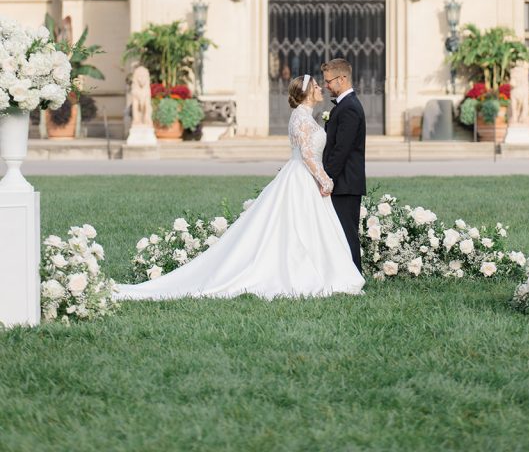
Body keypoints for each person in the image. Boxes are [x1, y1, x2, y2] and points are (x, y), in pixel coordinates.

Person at [113, 75, 364, 302]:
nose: (322, 88)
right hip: (303, 175)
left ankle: (319, 267)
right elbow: (308, 155)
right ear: (309, 92)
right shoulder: (301, 117)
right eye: (318, 86)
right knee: (295, 225)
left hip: (302, 176)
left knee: (307, 226)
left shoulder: (305, 115)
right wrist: (324, 179)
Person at [321, 58, 366, 272]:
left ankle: (355, 274)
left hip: (345, 182)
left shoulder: (349, 108)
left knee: (348, 233)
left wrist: (326, 178)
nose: (326, 85)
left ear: (342, 78)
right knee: (339, 232)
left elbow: (341, 150)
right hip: (342, 182)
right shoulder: (346, 105)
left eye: (329, 81)